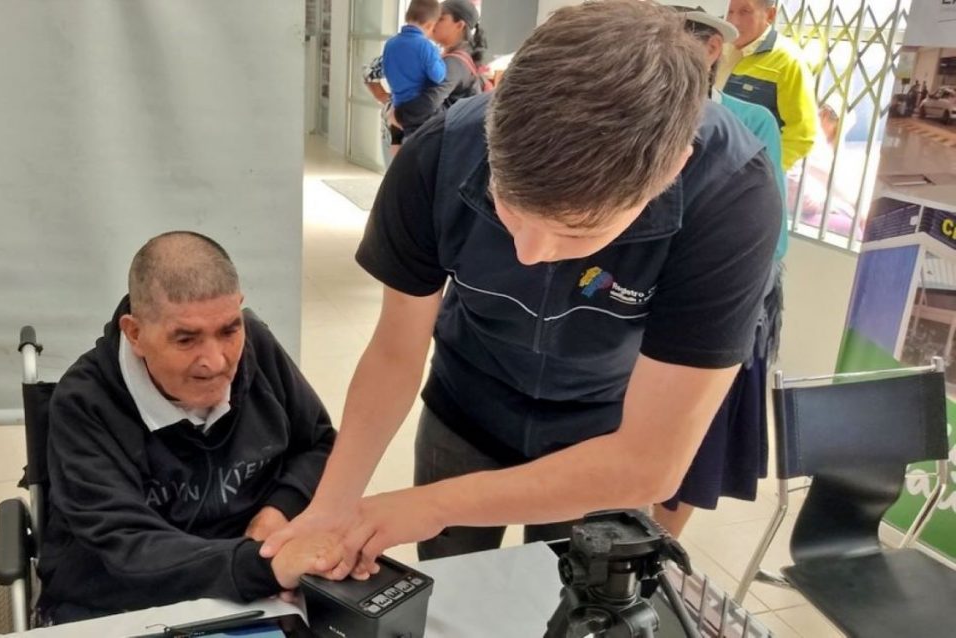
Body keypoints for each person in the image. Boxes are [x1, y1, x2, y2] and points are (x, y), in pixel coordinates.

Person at [262, 0, 780, 578]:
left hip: (604, 428)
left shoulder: (732, 199)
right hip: (467, 399)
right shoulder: (439, 154)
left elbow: (649, 462)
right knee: (449, 581)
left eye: (574, 231)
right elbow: (394, 351)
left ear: (670, 171)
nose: (528, 254)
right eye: (506, 209)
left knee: (576, 597)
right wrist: (332, 507)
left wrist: (431, 506)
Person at [38, 231, 339, 622]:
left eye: (229, 330)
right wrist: (263, 566)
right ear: (135, 334)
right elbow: (128, 546)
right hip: (127, 600)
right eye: (186, 339)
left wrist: (278, 510)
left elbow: (319, 444)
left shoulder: (257, 348)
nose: (215, 362)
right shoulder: (85, 404)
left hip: (254, 585)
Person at [652, 0, 787, 537]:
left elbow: (767, 229)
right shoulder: (631, 109)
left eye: (682, 37)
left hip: (709, 300)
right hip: (629, 296)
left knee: (689, 436)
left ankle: (659, 548)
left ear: (712, 48)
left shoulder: (749, 120)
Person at [717, 0, 817, 171]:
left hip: (748, 175)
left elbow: (801, 134)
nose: (733, 21)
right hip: (712, 164)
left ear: (770, 15)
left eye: (745, 12)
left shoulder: (788, 62)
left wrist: (768, 170)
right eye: (729, 11)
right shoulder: (720, 48)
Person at [392, 0, 489, 135]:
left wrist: (395, 114)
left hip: (443, 148)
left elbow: (426, 106)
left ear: (459, 25)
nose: (433, 21)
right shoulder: (451, 57)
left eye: (441, 18)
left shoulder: (453, 63)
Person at [382, 0, 447, 141]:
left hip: (397, 105)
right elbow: (439, 76)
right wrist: (440, 58)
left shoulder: (390, 44)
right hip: (418, 111)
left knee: (402, 150)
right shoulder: (426, 46)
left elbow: (385, 70)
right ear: (430, 25)